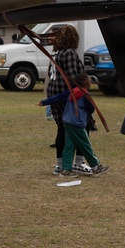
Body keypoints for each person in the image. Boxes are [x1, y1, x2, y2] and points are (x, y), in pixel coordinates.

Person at [38, 73, 108, 177]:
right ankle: (96, 166)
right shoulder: (85, 96)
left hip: (67, 122)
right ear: (88, 83)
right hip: (77, 124)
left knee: (69, 146)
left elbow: (58, 97)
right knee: (85, 145)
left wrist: (44, 102)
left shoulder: (71, 92)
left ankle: (66, 169)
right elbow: (90, 110)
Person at [44, 24, 85, 174]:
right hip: (67, 96)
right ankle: (78, 163)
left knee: (62, 128)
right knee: (81, 127)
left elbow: (50, 74)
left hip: (55, 93)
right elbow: (73, 77)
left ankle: (61, 164)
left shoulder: (56, 54)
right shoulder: (69, 54)